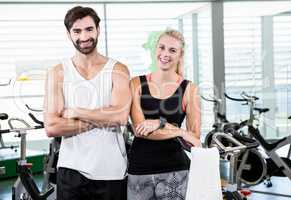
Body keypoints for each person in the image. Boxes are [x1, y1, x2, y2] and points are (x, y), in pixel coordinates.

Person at [43, 6, 131, 200]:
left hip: (111, 170)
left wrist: (75, 111)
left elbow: (120, 117)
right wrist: (104, 118)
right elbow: (52, 127)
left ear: (98, 30)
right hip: (71, 169)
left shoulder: (118, 70)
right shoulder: (57, 73)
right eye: (77, 31)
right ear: (68, 34)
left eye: (89, 29)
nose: (84, 36)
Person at [128, 29, 201, 200]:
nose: (165, 54)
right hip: (140, 169)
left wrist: (159, 124)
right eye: (162, 47)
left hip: (175, 169)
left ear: (180, 55)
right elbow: (140, 130)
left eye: (172, 50)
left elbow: (195, 139)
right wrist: (178, 130)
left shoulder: (190, 89)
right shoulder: (136, 84)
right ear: (155, 49)